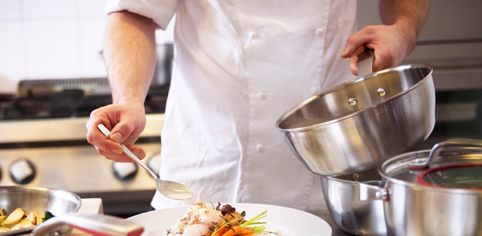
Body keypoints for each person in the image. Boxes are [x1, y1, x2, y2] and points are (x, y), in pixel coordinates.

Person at [86, 0, 429, 211]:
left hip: (327, 170)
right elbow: (133, 13)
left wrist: (403, 29)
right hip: (211, 173)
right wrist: (129, 99)